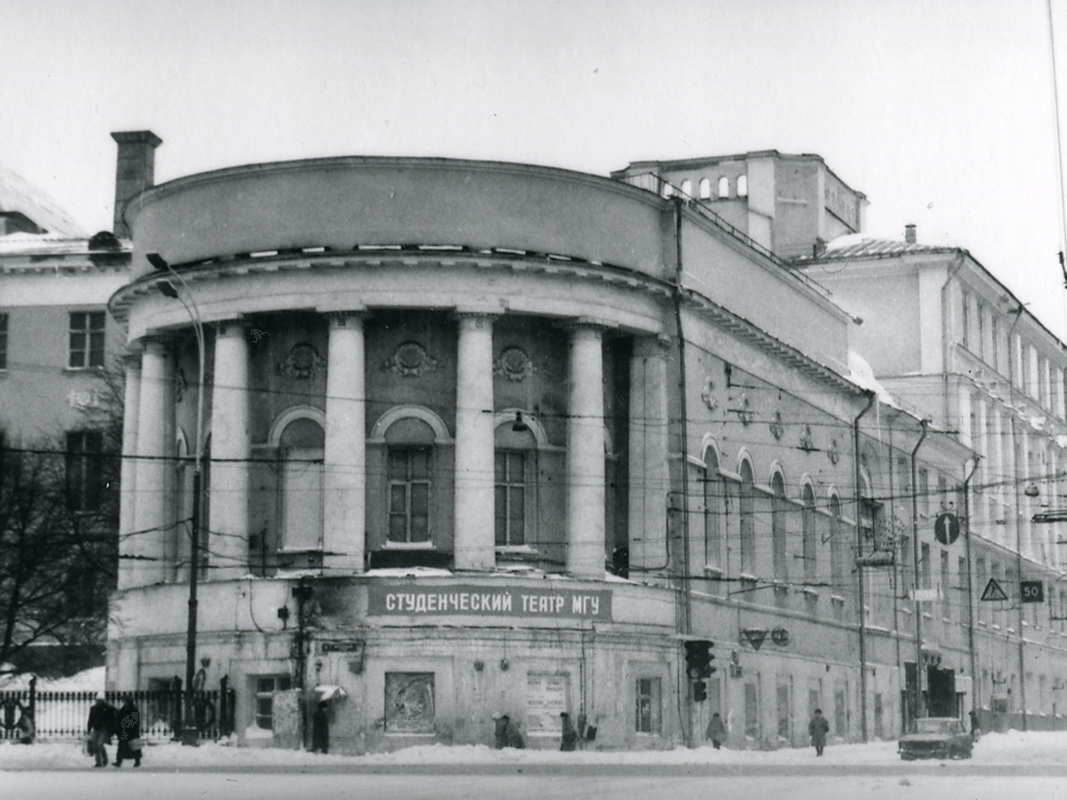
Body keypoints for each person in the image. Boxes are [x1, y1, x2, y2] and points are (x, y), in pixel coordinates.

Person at [86, 693, 118, 767]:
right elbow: (91, 719)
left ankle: (104, 760)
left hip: (104, 729)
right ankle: (99, 762)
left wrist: (111, 728)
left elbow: (113, 718)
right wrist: (89, 728)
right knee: (95, 745)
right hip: (97, 728)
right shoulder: (93, 708)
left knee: (99, 744)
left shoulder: (108, 708)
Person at [113, 696, 142, 768]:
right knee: (121, 746)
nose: (124, 703)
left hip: (131, 731)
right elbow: (119, 719)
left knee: (134, 746)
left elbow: (136, 721)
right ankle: (119, 761)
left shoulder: (133, 710)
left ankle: (137, 761)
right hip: (124, 730)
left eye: (125, 701)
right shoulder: (123, 709)